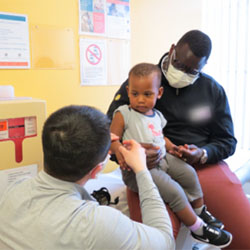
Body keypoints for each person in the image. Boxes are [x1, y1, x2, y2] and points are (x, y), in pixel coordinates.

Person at [107, 30, 250, 249]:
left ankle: (202, 215)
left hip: (201, 166)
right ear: (172, 50)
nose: (182, 73)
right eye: (180, 65)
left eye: (192, 70)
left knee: (245, 235)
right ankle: (199, 227)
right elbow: (108, 134)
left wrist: (202, 154)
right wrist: (130, 155)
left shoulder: (212, 90)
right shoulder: (141, 84)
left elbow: (227, 141)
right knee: (154, 241)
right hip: (148, 167)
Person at [0, 105, 175, 250]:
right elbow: (166, 241)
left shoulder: (12, 190)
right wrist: (142, 170)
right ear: (97, 170)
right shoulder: (98, 224)